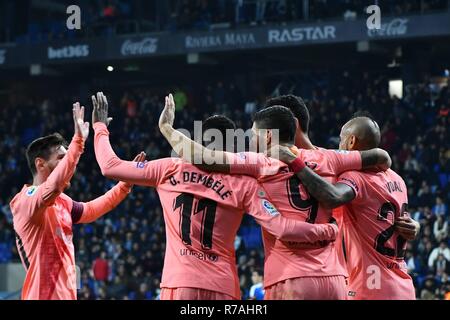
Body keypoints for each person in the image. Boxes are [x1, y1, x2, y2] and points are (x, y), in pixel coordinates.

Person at [91, 92, 339, 300]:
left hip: (180, 284)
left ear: (199, 143)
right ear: (231, 147)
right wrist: (328, 231)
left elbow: (109, 166)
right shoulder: (246, 183)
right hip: (224, 287)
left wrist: (100, 127)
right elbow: (281, 227)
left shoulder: (169, 168)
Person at [159, 94, 392, 299]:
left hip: (290, 279)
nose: (251, 141)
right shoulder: (334, 159)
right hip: (336, 278)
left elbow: (202, 157)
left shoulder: (261, 163)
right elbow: (382, 157)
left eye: (254, 135)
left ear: (270, 135)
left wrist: (167, 128)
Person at [275, 113, 419, 299]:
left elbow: (332, 197)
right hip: (403, 286)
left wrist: (295, 163)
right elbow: (402, 223)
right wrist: (416, 225)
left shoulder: (355, 177)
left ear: (351, 142)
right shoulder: (396, 178)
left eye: (342, 140)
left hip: (371, 287)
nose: (339, 146)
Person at [10, 103, 142, 300]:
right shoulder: (25, 201)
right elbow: (53, 186)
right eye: (61, 158)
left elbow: (90, 210)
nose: (68, 162)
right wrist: (78, 142)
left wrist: (124, 185)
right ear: (40, 163)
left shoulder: (62, 201)